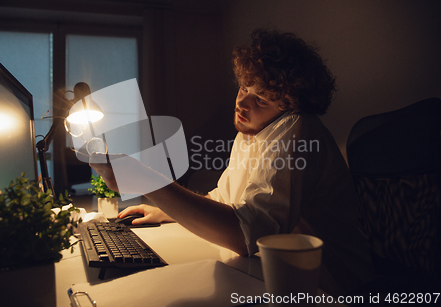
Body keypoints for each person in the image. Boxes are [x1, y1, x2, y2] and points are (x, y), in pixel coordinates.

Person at [90, 29, 374, 294]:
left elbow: (246, 236)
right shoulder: (250, 134)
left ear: (290, 105)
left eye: (260, 99)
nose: (242, 103)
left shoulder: (298, 128)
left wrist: (146, 180)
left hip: (332, 287)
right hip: (278, 275)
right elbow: (226, 198)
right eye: (243, 88)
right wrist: (168, 211)